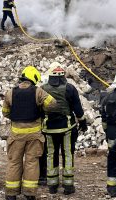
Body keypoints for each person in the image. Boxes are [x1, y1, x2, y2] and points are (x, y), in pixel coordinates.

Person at [2, 66, 56, 200]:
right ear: (34, 78)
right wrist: (41, 108)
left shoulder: (10, 93)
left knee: (14, 162)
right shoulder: (38, 91)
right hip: (34, 135)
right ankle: (29, 193)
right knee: (32, 162)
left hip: (16, 135)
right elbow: (52, 104)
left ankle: (11, 194)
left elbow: (5, 112)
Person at [41, 62, 88, 195]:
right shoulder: (70, 88)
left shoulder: (42, 89)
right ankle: (68, 186)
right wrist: (82, 122)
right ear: (63, 75)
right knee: (67, 154)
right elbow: (77, 108)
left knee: (51, 154)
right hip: (67, 128)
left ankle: (52, 185)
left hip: (49, 129)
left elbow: (38, 109)